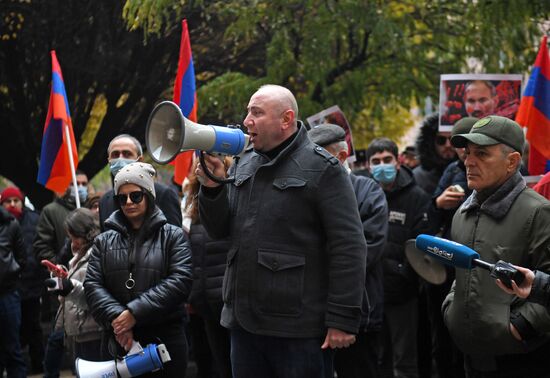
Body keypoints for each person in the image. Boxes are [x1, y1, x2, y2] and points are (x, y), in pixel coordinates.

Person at [197, 84, 367, 378]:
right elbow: (220, 229)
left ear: (286, 119)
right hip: (244, 324)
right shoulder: (244, 161)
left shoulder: (323, 168)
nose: (247, 121)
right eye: (248, 111)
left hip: (297, 329)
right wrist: (212, 189)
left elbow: (349, 246)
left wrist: (342, 318)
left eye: (257, 113)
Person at [443, 115, 550, 377]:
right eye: (467, 153)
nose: (469, 161)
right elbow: (461, 276)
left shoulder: (539, 212)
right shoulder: (463, 213)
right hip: (471, 358)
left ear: (512, 161)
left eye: (482, 153)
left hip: (522, 362)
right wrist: (451, 308)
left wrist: (520, 327)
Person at [85, 162, 193, 377]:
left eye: (135, 196)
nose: (128, 202)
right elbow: (92, 285)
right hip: (118, 341)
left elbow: (180, 281)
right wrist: (119, 319)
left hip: (165, 340)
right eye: (121, 197)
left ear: (149, 196)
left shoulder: (173, 236)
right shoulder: (103, 241)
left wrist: (134, 313)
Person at [308, 124, 388, 378]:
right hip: (311, 313)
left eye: (318, 156)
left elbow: (364, 250)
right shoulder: (304, 190)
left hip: (358, 314)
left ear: (341, 157)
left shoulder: (368, 191)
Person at [364, 137, 430, 378]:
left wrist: (403, 275)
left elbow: (422, 246)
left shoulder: (417, 198)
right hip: (369, 294)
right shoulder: (361, 194)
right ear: (369, 166)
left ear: (398, 161)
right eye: (376, 161)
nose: (382, 165)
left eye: (387, 160)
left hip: (403, 295)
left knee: (404, 361)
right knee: (376, 359)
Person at [425, 117, 478, 378]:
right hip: (448, 265)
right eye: (458, 143)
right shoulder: (449, 171)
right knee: (444, 335)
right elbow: (429, 216)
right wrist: (439, 203)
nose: (463, 151)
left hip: (478, 266)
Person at [184, 157, 232, 378]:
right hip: (207, 308)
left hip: (231, 306)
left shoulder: (232, 202)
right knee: (219, 366)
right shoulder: (193, 212)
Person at [43, 208, 103, 375]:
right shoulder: (77, 255)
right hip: (76, 330)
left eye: (75, 237)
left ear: (86, 234)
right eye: (70, 238)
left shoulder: (97, 255)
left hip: (92, 331)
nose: (72, 242)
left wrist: (68, 284)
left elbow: (91, 295)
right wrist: (59, 278)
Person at [1, 187, 44, 374]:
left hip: (25, 286)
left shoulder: (29, 221)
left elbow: (25, 256)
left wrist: (16, 272)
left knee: (30, 328)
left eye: (15, 200)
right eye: (7, 201)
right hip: (11, 287)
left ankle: (37, 364)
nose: (12, 204)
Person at [98, 134, 182, 230]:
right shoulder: (104, 201)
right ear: (109, 161)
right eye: (115, 155)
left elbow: (175, 238)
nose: (120, 159)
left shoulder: (164, 194)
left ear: (140, 160)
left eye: (127, 154)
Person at [0, 204, 27, 377]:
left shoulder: (11, 224)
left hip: (7, 295)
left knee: (12, 350)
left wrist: (10, 274)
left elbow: (22, 258)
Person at [413, 113, 457, 196]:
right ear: (431, 142)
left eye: (452, 139)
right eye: (441, 140)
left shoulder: (471, 173)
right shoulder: (418, 177)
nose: (448, 145)